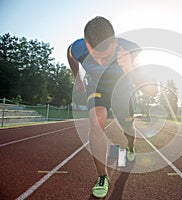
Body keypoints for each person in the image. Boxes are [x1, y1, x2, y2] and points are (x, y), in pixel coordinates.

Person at [67, 16, 157, 198]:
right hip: (97, 88)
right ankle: (102, 176)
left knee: (127, 127)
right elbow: (69, 54)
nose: (100, 62)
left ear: (114, 42)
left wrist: (130, 67)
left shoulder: (130, 49)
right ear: (87, 44)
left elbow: (151, 91)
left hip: (122, 91)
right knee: (96, 121)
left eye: (106, 56)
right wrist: (76, 76)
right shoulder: (78, 48)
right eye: (95, 56)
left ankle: (130, 147)